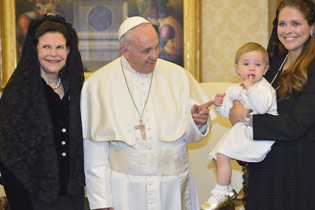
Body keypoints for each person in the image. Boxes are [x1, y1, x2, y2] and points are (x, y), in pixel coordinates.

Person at [81, 16, 213, 210]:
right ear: (125, 51)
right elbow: (94, 153)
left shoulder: (179, 77)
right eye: (146, 51)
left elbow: (192, 136)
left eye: (157, 47)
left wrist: (198, 122)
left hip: (173, 188)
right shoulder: (98, 84)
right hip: (124, 191)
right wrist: (101, 202)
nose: (155, 56)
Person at [228, 0, 315, 209]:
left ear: (312, 27)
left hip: (305, 172)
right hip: (268, 170)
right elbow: (248, 102)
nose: (287, 30)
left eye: (295, 23)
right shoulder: (270, 66)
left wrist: (247, 118)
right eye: (282, 24)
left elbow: (297, 125)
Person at [0, 15, 85, 210]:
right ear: (34, 50)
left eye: (60, 47)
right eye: (46, 46)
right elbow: (8, 156)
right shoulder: (17, 93)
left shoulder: (78, 90)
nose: (53, 54)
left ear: (69, 50)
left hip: (72, 198)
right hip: (32, 199)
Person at [201, 42, 278, 210]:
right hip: (243, 130)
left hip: (260, 134)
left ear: (265, 69)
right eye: (246, 64)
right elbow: (229, 114)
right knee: (217, 156)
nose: (251, 68)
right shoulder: (235, 89)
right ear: (237, 68)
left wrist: (250, 89)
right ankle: (226, 188)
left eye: (257, 64)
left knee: (222, 154)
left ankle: (221, 190)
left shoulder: (265, 88)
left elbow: (262, 107)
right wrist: (220, 104)